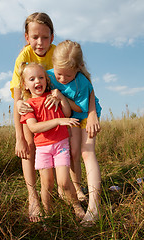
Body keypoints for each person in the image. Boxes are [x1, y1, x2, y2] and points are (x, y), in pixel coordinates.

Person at [19, 62, 85, 219]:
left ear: (47, 80)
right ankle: (48, 214)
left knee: (63, 181)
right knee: (47, 183)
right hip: (42, 149)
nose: (37, 81)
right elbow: (34, 127)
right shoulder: (28, 105)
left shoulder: (52, 97)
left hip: (60, 144)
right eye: (32, 79)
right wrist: (58, 121)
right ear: (25, 85)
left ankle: (76, 206)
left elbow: (67, 113)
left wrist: (60, 97)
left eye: (41, 77)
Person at [46, 40, 102, 226]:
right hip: (68, 119)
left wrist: (62, 97)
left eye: (67, 75)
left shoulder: (82, 82)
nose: (61, 79)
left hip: (85, 115)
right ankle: (77, 190)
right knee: (73, 153)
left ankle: (95, 207)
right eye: (59, 74)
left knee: (87, 153)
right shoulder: (48, 76)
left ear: (78, 69)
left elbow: (80, 107)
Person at [10, 12, 56, 222]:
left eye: (45, 37)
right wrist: (19, 137)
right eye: (35, 37)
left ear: (52, 37)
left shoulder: (56, 53)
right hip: (31, 107)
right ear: (27, 37)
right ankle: (32, 196)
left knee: (57, 143)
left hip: (53, 105)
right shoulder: (24, 57)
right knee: (29, 145)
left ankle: (57, 190)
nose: (40, 42)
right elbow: (18, 102)